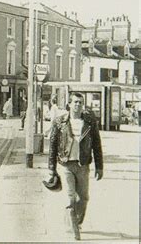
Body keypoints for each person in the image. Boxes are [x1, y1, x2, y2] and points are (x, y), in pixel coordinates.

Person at [47, 92, 103, 241]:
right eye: (75, 102)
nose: (78, 105)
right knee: (69, 198)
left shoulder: (90, 122)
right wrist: (51, 168)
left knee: (83, 198)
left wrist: (99, 167)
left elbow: (97, 145)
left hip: (83, 165)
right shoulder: (60, 122)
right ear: (69, 104)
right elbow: (52, 145)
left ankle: (76, 222)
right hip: (66, 165)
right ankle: (74, 230)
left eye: (80, 102)